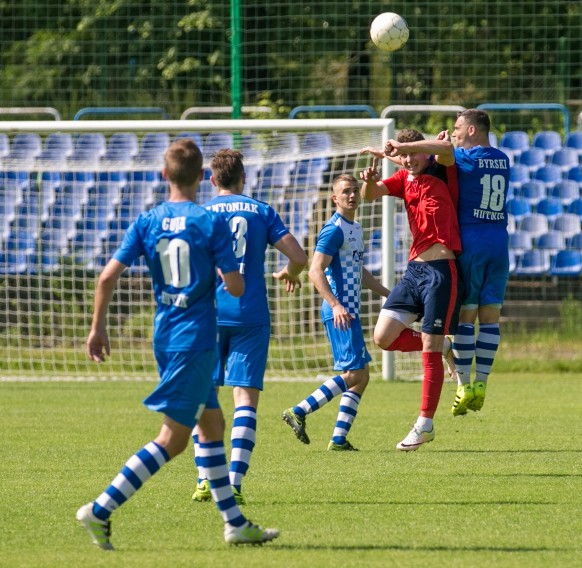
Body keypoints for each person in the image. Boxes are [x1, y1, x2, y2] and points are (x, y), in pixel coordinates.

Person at [77, 138, 279, 550]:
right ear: (202, 176)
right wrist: (229, 278)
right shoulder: (208, 223)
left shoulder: (147, 221)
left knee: (213, 425)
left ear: (164, 174)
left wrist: (98, 328)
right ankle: (99, 509)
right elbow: (236, 286)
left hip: (167, 334)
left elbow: (106, 278)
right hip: (195, 339)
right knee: (172, 440)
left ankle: (235, 524)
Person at [190, 149, 307, 504]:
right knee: (245, 402)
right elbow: (299, 257)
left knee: (203, 399)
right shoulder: (261, 211)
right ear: (244, 179)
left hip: (207, 314)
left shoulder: (200, 214)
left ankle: (204, 479)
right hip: (250, 314)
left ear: (212, 180)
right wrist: (289, 273)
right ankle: (235, 484)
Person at [384, 109, 510, 416]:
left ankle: (464, 384)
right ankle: (482, 381)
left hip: (472, 242)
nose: (452, 133)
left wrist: (404, 148)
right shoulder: (503, 159)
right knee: (491, 316)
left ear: (471, 130)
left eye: (456, 128)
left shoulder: (463, 158)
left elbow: (441, 154)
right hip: (500, 242)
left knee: (466, 317)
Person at [359, 128, 462, 451]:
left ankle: (425, 424)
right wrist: (369, 178)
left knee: (428, 350)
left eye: (412, 153)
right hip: (413, 272)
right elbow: (370, 195)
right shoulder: (404, 179)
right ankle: (444, 347)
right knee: (383, 338)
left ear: (423, 151)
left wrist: (401, 147)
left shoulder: (442, 168)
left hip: (441, 271)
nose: (408, 159)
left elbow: (445, 146)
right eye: (403, 157)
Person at [281, 174, 390, 451]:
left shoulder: (355, 228)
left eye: (355, 191)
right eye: (346, 192)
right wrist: (336, 305)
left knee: (362, 376)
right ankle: (299, 411)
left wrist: (389, 294)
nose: (352, 195)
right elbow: (315, 270)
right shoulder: (333, 229)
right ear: (335, 198)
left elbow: (359, 272)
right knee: (354, 375)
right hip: (340, 311)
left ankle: (339, 439)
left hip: (350, 310)